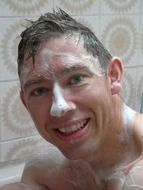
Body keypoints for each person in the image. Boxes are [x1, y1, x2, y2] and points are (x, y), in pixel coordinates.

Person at [1, 8, 143, 190]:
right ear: (25, 103)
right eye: (39, 91)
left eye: (76, 79)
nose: (58, 107)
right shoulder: (44, 170)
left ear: (113, 76)